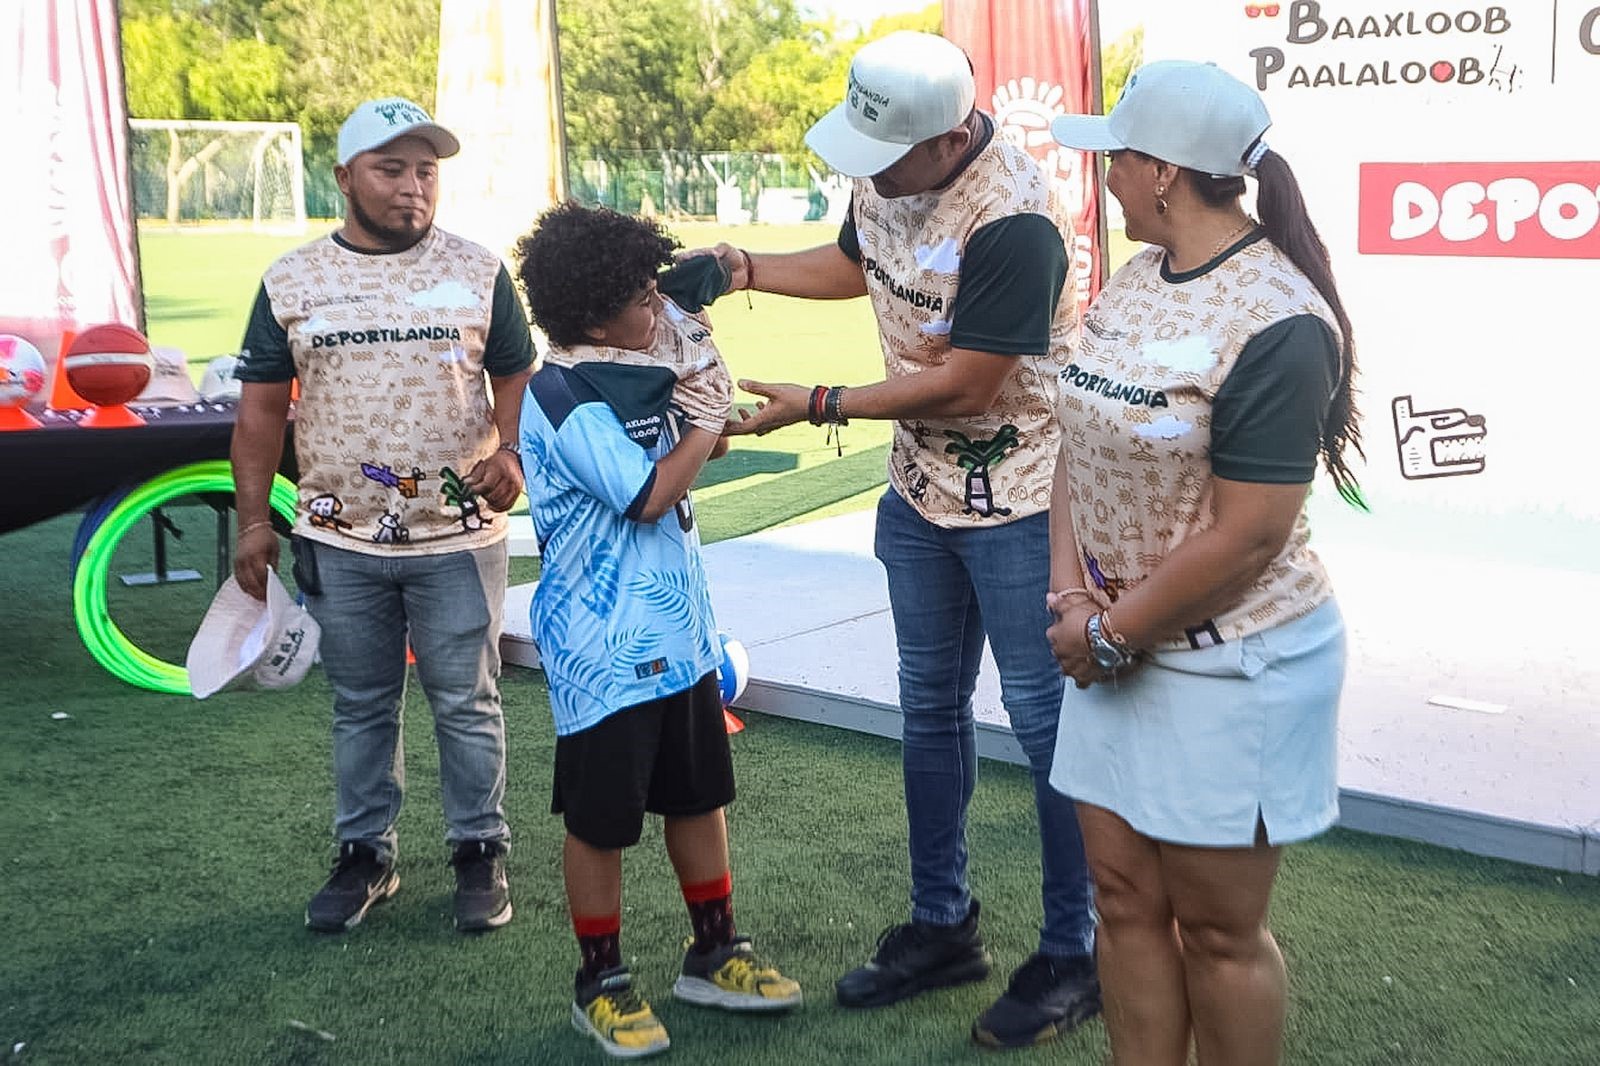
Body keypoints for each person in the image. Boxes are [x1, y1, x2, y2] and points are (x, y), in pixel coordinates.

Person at [711, 31, 1100, 1047]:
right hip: (921, 492)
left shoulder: (1014, 217)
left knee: (1044, 721)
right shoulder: (887, 169)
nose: (867, 171)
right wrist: (745, 265)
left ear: (949, 136)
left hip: (1022, 494)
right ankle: (943, 924)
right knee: (927, 706)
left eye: (884, 154)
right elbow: (856, 260)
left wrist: (821, 402)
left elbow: (973, 380)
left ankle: (1076, 949)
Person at [1045, 61, 1364, 1066]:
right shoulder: (1139, 278)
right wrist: (1068, 591)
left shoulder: (1280, 317)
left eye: (1116, 159)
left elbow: (1251, 533)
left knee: (1216, 932)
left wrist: (1104, 631)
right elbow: (1076, 438)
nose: (1103, 175)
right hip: (1107, 643)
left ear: (1162, 173)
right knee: (1125, 898)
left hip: (1230, 663)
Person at [230, 97, 534, 935]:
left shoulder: (477, 271)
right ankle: (366, 856)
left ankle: (480, 851)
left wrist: (511, 453)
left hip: (459, 538)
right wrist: (254, 522)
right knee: (361, 704)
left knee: (467, 701)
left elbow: (516, 375)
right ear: (344, 178)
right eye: (390, 170)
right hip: (338, 537)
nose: (412, 188)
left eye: (426, 171)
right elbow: (259, 414)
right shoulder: (291, 281)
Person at [514, 203, 802, 1061]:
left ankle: (713, 950)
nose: (657, 310)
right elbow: (647, 494)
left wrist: (694, 373)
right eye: (642, 298)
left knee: (697, 795)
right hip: (602, 651)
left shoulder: (632, 362)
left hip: (678, 635)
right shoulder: (560, 394)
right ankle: (598, 980)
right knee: (601, 821)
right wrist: (707, 414)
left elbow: (697, 456)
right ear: (596, 315)